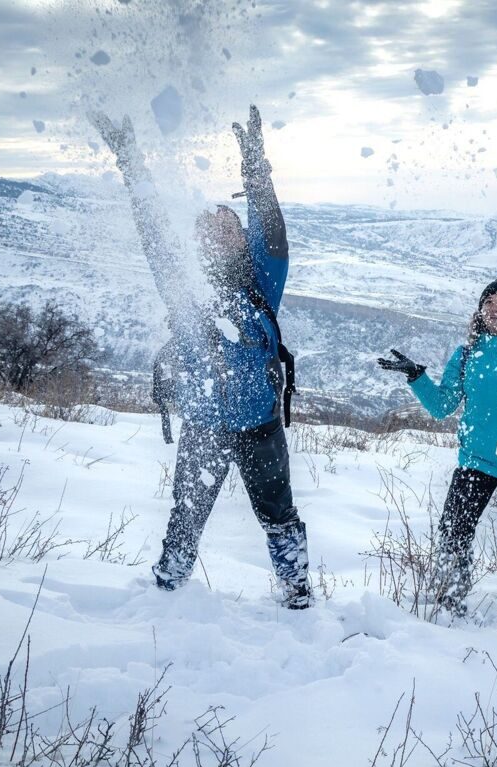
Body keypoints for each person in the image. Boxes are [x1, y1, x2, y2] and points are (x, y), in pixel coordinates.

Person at [92, 106, 312, 609]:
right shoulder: (183, 289)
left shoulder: (262, 282)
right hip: (204, 427)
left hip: (260, 427)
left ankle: (298, 597)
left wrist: (255, 166)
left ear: (241, 238)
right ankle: (167, 592)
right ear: (195, 244)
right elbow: (152, 233)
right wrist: (130, 160)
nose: (217, 231)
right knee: (186, 516)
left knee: (279, 516)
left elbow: (273, 231)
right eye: (207, 228)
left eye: (228, 224)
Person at [378, 277, 497, 612]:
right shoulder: (466, 356)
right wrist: (416, 375)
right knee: (454, 527)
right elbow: (441, 406)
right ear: (480, 309)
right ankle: (449, 594)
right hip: (477, 458)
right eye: (489, 301)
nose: (495, 308)